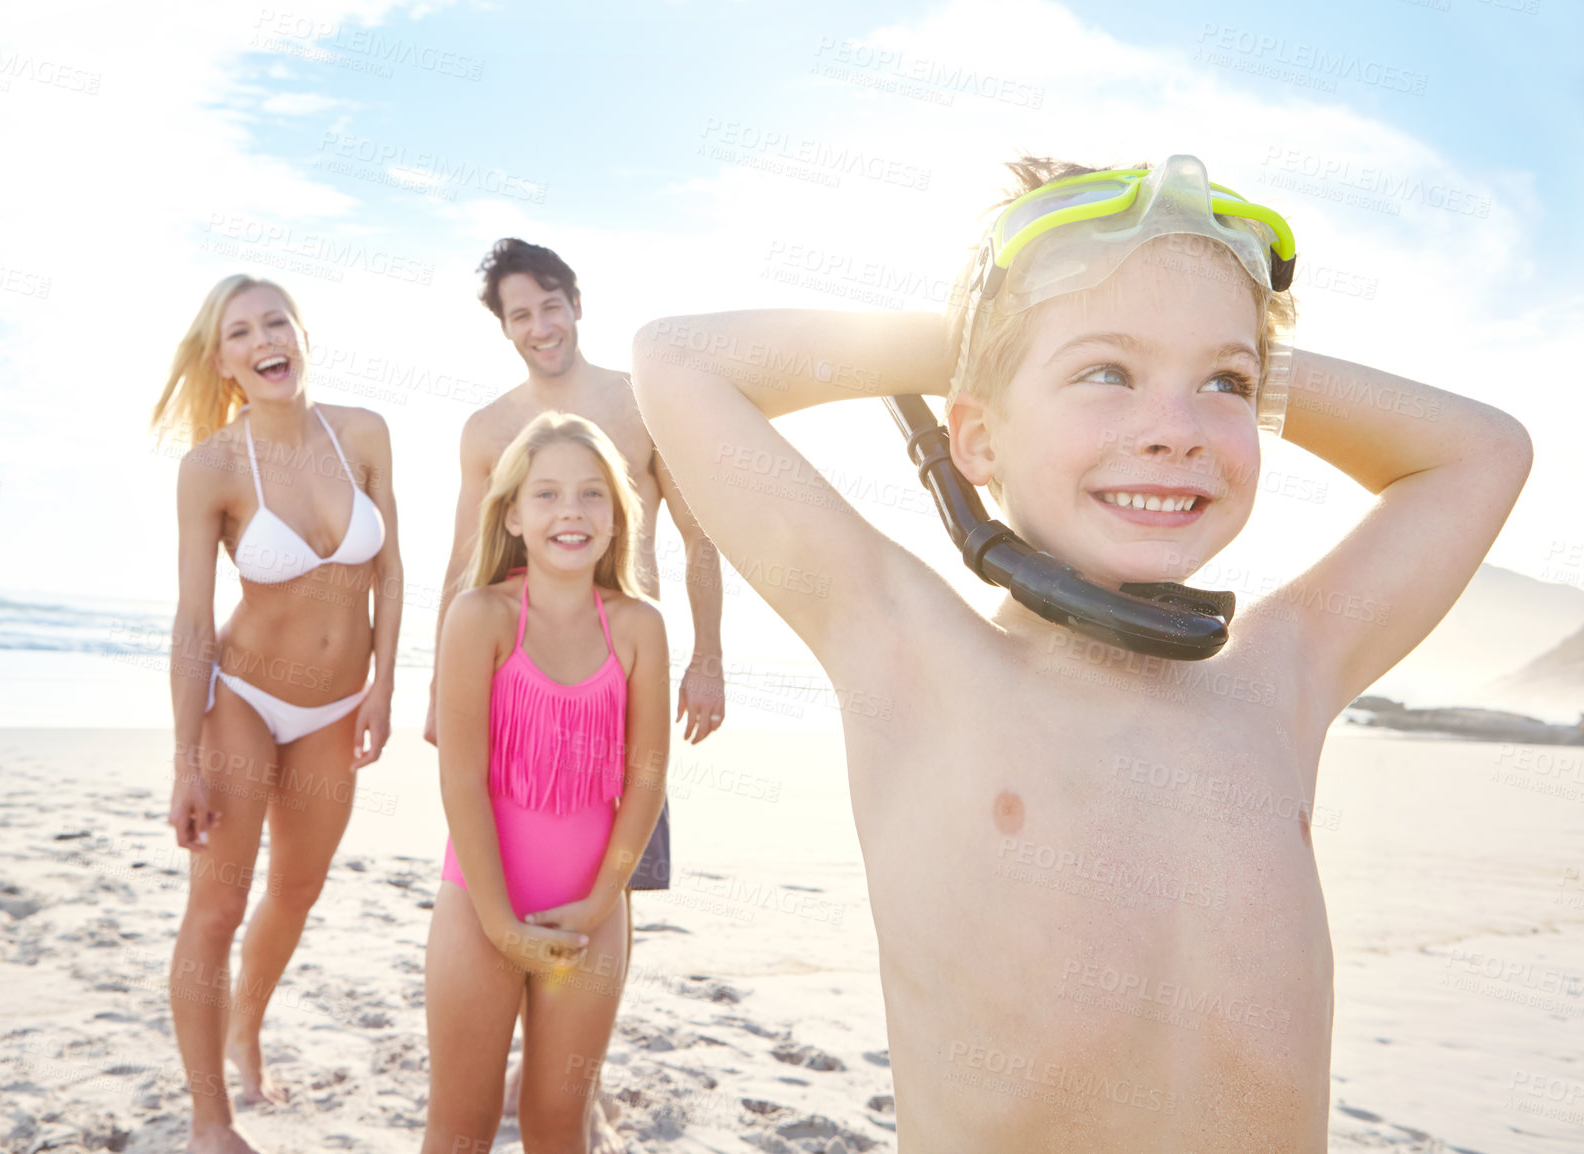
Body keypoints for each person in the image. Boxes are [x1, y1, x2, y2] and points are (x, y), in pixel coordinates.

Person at [630, 155, 1532, 1151]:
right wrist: (988, 344)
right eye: (1106, 372)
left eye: (1224, 384)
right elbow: (680, 361)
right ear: (974, 438)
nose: (1173, 429)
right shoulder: (913, 654)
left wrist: (1204, 346)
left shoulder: (1280, 676)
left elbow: (1482, 450)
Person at [425, 238, 725, 1145]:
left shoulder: (639, 406)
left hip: (615, 691)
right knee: (465, 1112)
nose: (539, 325)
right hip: (514, 696)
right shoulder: (489, 431)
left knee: (618, 857)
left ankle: (573, 1081)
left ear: (575, 303)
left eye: (550, 305)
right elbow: (461, 556)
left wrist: (706, 654)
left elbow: (699, 537)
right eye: (520, 314)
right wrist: (442, 684)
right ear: (506, 328)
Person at [151, 274, 403, 1154]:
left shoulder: (363, 432)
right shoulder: (212, 468)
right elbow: (191, 620)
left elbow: (392, 570)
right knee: (217, 911)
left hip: (338, 705)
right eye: (241, 332)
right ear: (222, 361)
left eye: (276, 321)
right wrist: (186, 757)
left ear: (300, 333)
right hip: (242, 703)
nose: (265, 339)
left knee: (297, 889)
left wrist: (385, 685)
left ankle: (246, 1026)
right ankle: (208, 1121)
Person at [421, 412, 670, 1153]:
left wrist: (600, 903)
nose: (572, 511)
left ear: (619, 516)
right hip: (480, 908)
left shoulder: (638, 626)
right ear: (514, 516)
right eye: (548, 495)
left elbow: (647, 779)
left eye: (594, 495)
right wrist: (498, 920)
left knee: (559, 1124)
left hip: (589, 917)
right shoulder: (480, 616)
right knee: (460, 1126)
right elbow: (460, 778)